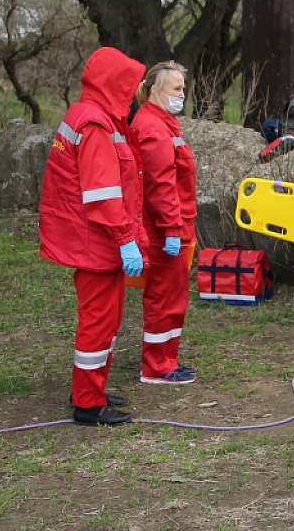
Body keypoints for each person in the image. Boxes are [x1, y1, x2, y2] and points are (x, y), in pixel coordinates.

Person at [39, 46, 147, 426]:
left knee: (106, 318)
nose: (137, 92)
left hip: (96, 240)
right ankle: (87, 402)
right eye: (133, 85)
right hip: (97, 241)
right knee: (99, 320)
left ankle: (92, 388)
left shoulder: (94, 116)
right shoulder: (97, 125)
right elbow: (102, 195)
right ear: (116, 84)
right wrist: (125, 238)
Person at [130, 61, 198, 385]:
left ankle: (166, 359)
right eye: (176, 88)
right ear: (156, 90)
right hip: (165, 229)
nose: (182, 94)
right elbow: (161, 184)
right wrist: (172, 229)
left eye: (183, 88)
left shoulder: (163, 124)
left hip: (174, 224)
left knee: (172, 296)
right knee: (164, 296)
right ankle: (157, 366)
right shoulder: (154, 129)